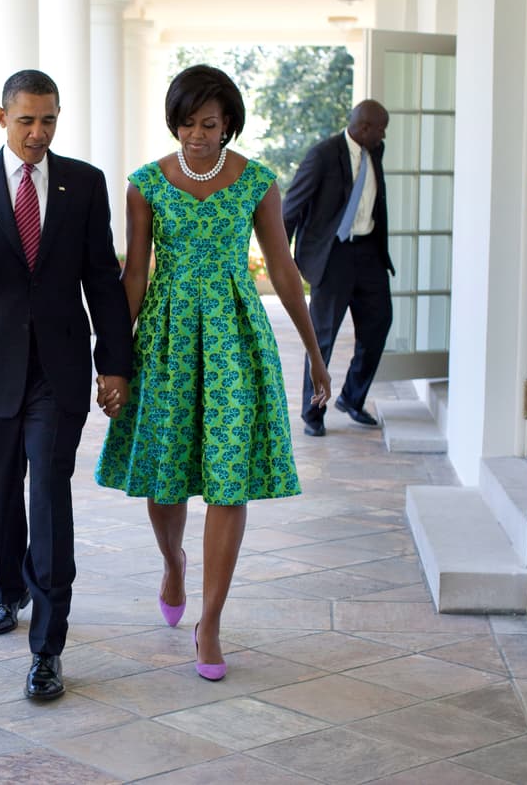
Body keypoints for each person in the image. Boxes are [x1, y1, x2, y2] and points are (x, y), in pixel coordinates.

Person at [94, 65, 330, 681]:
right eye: (186, 122)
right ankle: (172, 562)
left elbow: (283, 270)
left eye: (209, 124)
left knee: (229, 482)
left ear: (228, 125)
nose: (196, 135)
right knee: (167, 480)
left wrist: (314, 350)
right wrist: (113, 360)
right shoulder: (146, 183)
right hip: (168, 343)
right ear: (173, 122)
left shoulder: (257, 182)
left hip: (235, 342)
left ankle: (212, 622)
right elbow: (136, 275)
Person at [0, 69, 133, 701]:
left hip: (58, 373)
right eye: (26, 121)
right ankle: (6, 587)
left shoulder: (85, 184)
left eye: (48, 120)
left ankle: (48, 646)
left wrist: (113, 362)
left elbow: (102, 276)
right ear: (0, 117)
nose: (38, 133)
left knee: (48, 496)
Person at [282, 100, 395, 436]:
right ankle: (312, 414)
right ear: (363, 127)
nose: (384, 134)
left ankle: (351, 397)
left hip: (369, 252)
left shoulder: (375, 151)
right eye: (381, 128)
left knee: (379, 324)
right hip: (333, 256)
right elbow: (291, 208)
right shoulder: (323, 155)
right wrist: (282, 261)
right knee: (322, 338)